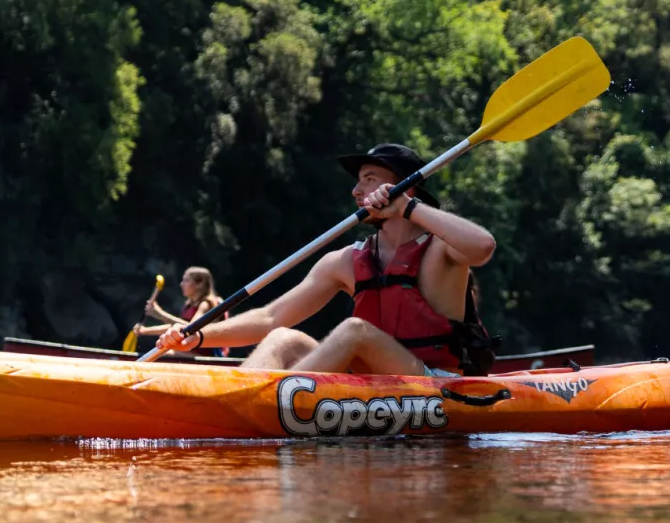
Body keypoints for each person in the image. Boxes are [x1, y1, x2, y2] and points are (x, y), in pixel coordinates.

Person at [154, 144, 497, 376]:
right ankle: (238, 399)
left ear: (403, 189)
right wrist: (198, 337)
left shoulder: (441, 248)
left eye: (370, 180)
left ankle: (267, 403)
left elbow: (483, 247)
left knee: (355, 330)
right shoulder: (346, 261)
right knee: (282, 338)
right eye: (358, 181)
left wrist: (408, 206)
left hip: (432, 383)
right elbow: (270, 316)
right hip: (369, 386)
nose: (356, 191)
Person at [134, 266, 222, 334]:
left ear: (200, 284)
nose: (181, 284)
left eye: (186, 280)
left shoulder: (206, 304)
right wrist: (145, 330)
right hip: (190, 349)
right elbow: (177, 325)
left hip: (204, 353)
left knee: (164, 353)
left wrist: (160, 313)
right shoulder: (189, 305)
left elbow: (192, 327)